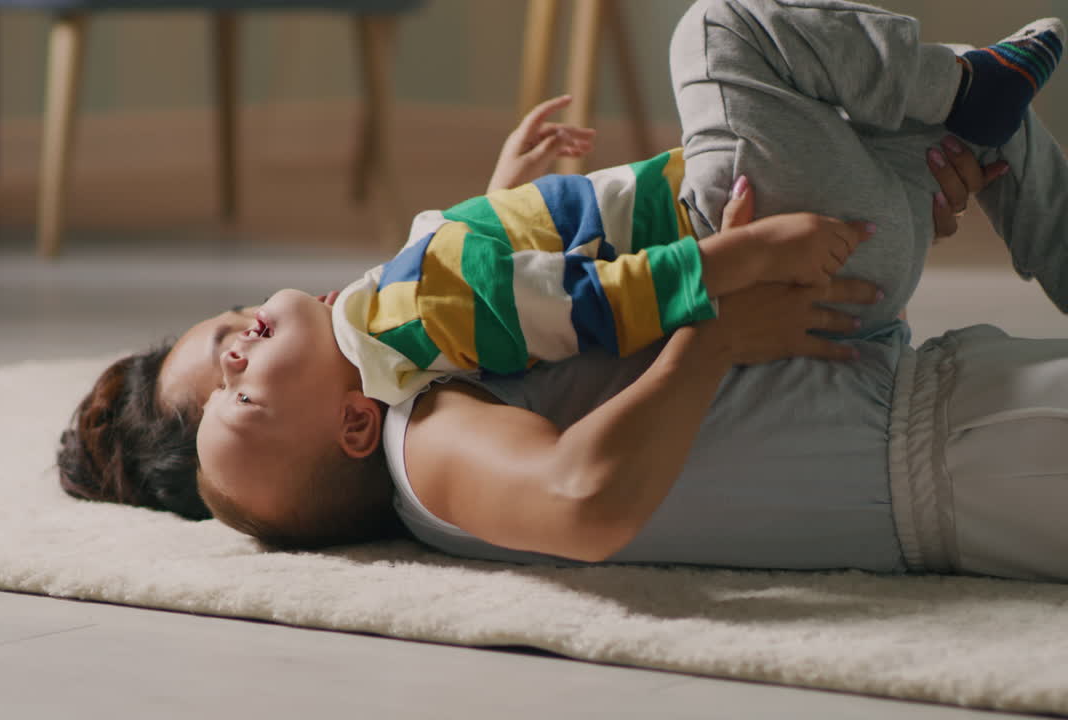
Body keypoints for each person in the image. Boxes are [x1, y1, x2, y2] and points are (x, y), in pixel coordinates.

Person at [190, 0, 1068, 583]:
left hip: (905, 382)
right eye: (234, 395)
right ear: (348, 425)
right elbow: (584, 494)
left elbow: (488, 291)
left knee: (960, 119)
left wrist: (505, 203)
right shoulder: (420, 428)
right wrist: (721, 299)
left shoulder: (410, 332)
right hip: (955, 451)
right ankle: (965, 91)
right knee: (722, 29)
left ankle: (971, 101)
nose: (234, 349)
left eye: (224, 331)